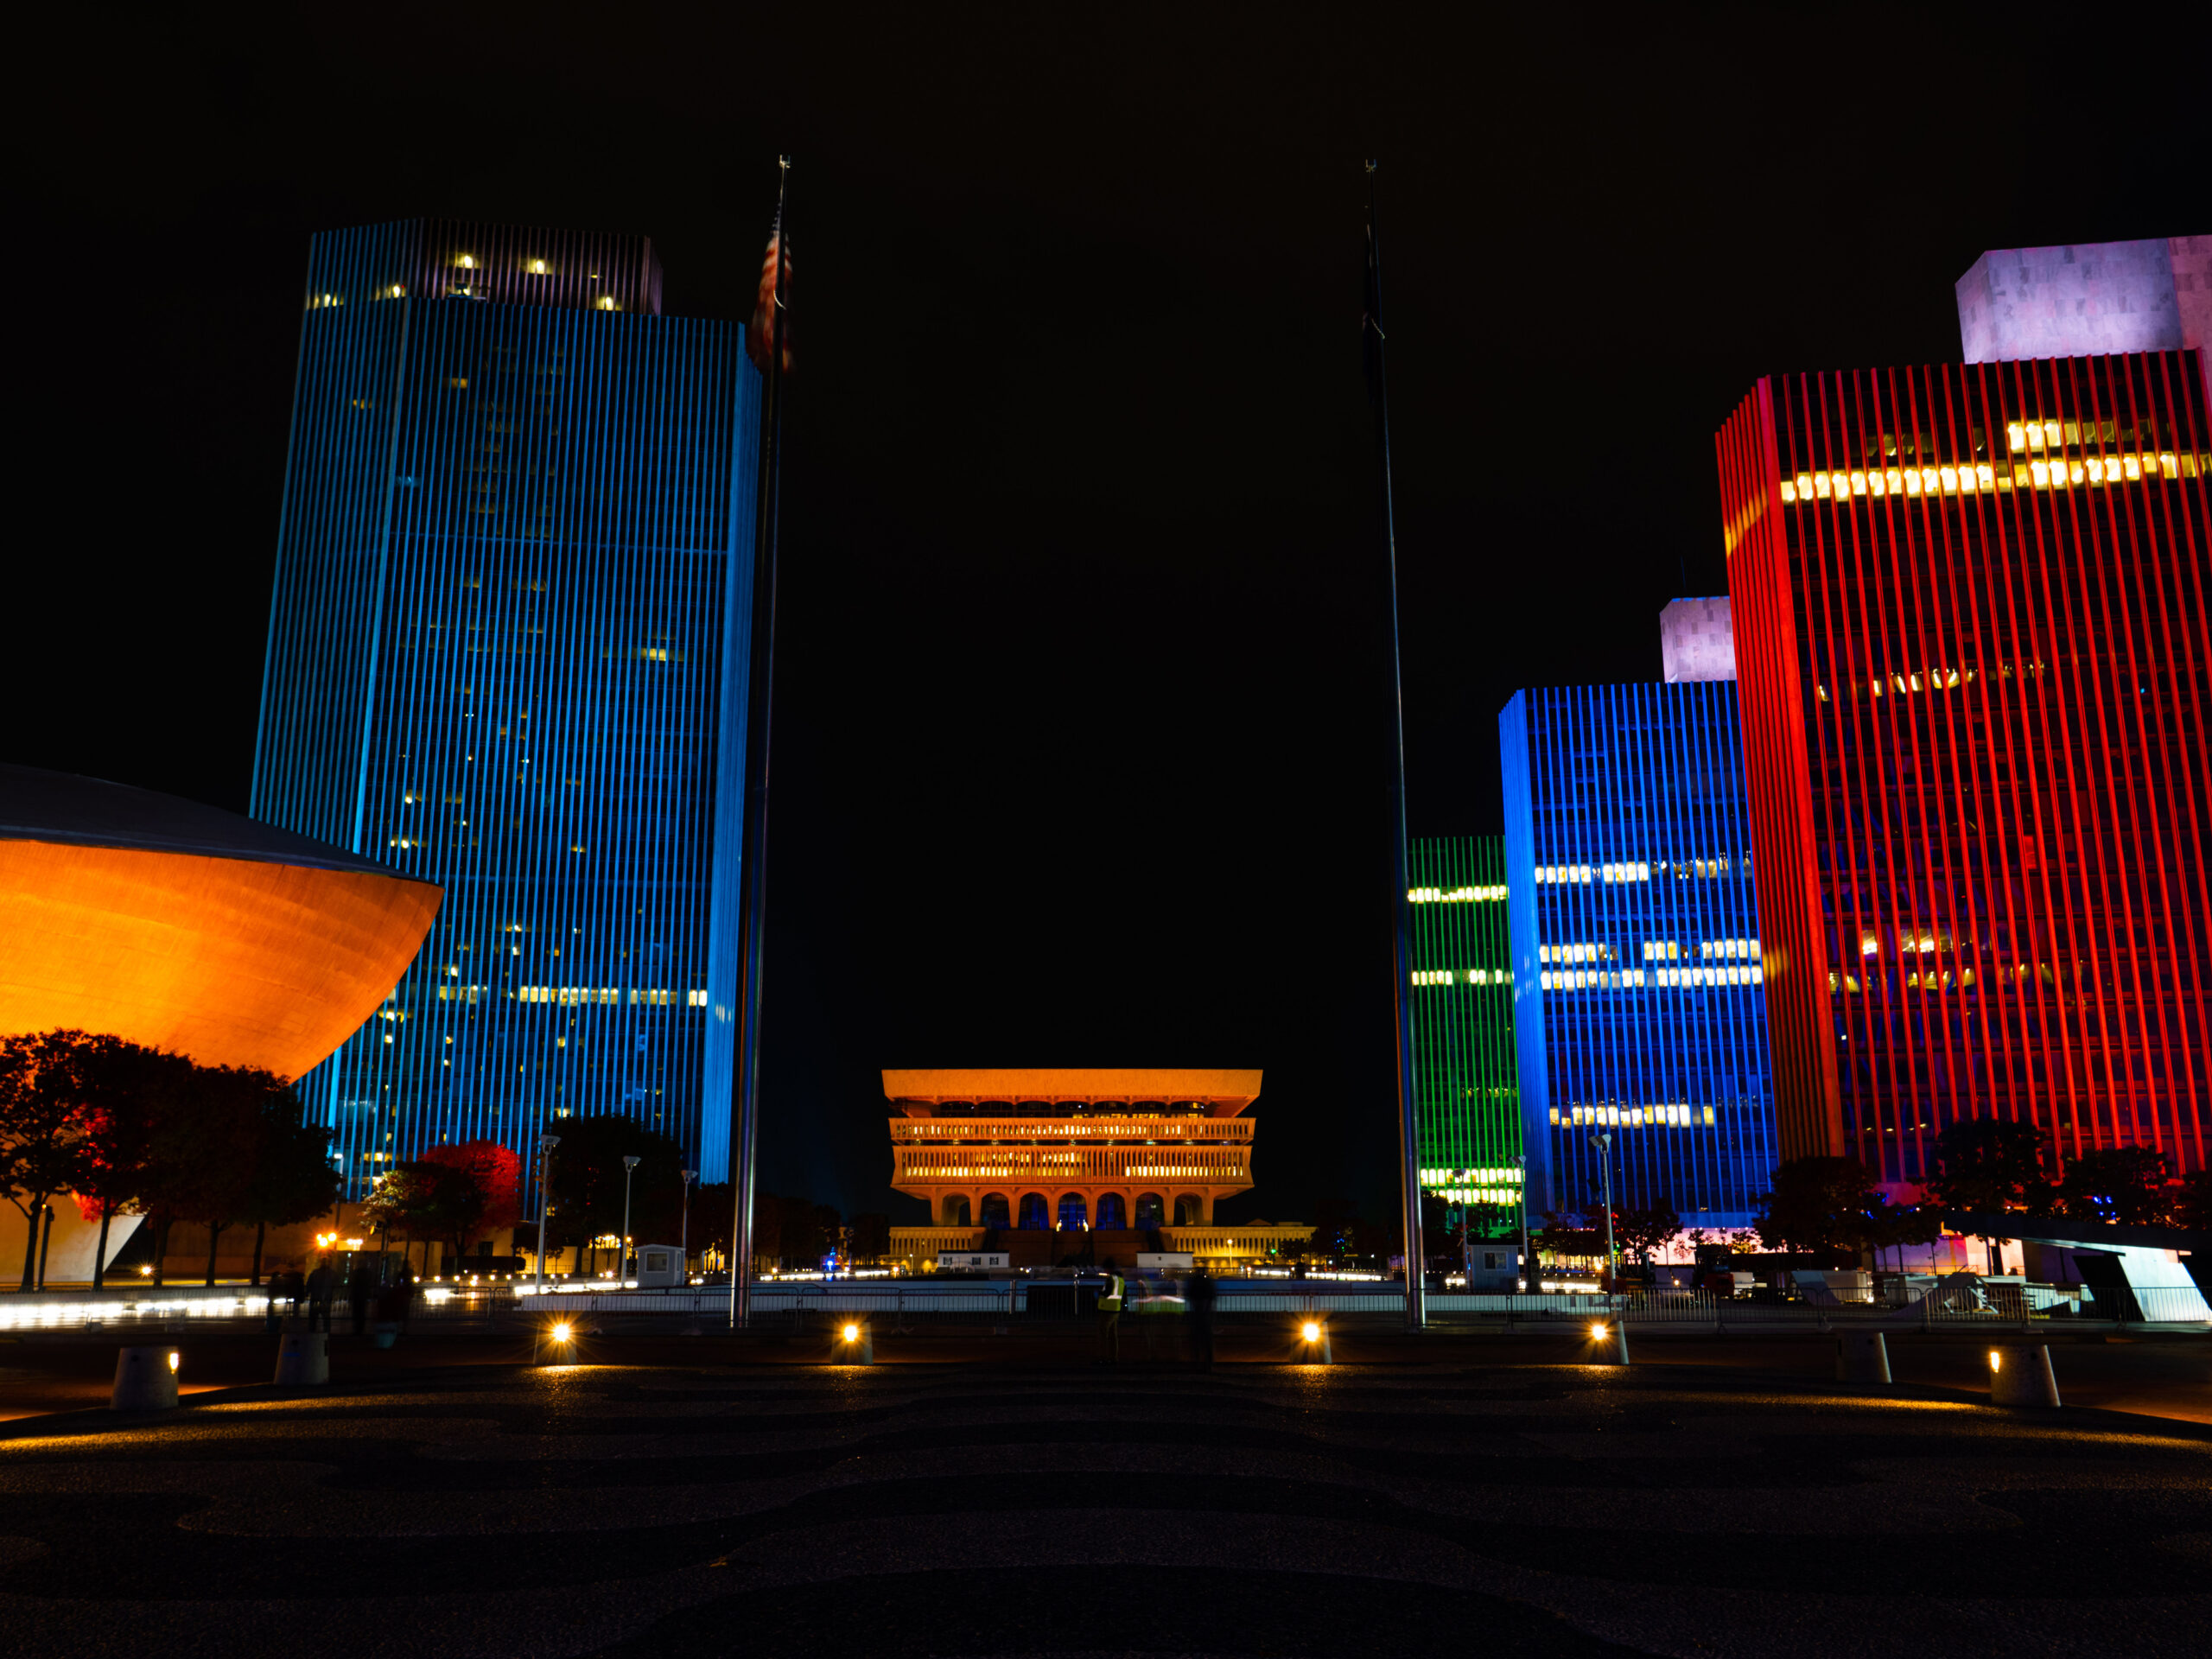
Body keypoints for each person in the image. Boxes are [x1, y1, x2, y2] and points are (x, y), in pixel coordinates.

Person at [1185, 1262, 1217, 1372]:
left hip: (1197, 1313)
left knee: (1196, 1339)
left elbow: (1189, 1294)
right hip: (1206, 1313)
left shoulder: (1194, 1282)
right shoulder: (1208, 1282)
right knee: (1207, 1339)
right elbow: (1213, 1296)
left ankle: (1196, 1361)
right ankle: (1209, 1362)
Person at [1096, 1261, 1123, 1364]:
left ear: (1109, 1269)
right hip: (1116, 1309)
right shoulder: (1121, 1280)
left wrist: (1098, 1293)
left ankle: (1103, 1357)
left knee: (1103, 1334)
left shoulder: (1110, 1279)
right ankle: (1113, 1357)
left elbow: (1107, 1293)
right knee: (1113, 1336)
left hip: (1107, 1310)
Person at [346, 1260, 376, 1335]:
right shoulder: (367, 1273)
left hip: (358, 1294)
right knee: (361, 1312)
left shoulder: (357, 1273)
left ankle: (357, 1328)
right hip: (362, 1295)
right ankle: (360, 1328)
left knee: (357, 1311)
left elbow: (352, 1282)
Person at [305, 1260, 334, 1332]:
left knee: (313, 1319)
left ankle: (312, 1333)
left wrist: (307, 1292)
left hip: (315, 1298)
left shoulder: (315, 1273)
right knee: (326, 1318)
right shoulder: (331, 1273)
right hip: (326, 1299)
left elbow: (309, 1284)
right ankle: (326, 1334)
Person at [264, 1263, 287, 1332]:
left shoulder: (271, 1283)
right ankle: (275, 1327)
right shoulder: (281, 1283)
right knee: (277, 1314)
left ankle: (271, 1327)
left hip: (273, 1300)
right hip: (277, 1300)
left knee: (272, 1314)